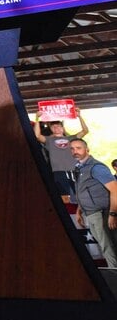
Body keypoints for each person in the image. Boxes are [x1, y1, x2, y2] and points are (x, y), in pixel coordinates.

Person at [71, 138, 117, 268]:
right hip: (90, 213)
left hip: (102, 213)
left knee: (108, 247)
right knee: (105, 247)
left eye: (78, 148)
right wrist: (79, 210)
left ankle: (114, 276)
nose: (75, 151)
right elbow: (83, 190)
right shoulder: (79, 167)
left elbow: (115, 189)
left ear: (87, 149)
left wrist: (113, 214)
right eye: (72, 149)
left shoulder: (96, 167)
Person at [33, 107, 88, 203]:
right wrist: (37, 119)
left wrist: (79, 116)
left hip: (74, 169)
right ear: (51, 129)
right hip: (58, 171)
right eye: (53, 127)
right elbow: (37, 136)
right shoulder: (49, 140)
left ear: (62, 128)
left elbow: (85, 131)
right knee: (64, 198)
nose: (56, 128)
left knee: (80, 195)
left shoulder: (71, 138)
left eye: (58, 126)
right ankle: (68, 216)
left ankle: (83, 214)